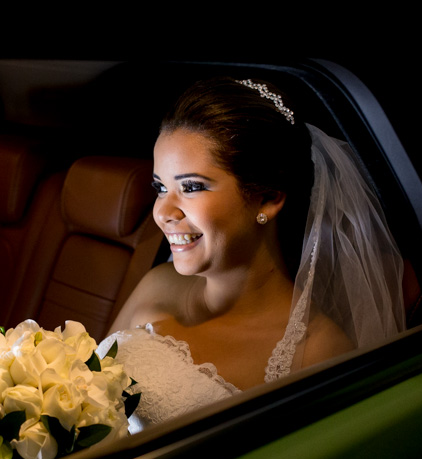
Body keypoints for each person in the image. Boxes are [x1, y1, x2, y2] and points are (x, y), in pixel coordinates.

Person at [99, 77, 405, 432]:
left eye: (192, 187)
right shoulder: (156, 284)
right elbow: (82, 389)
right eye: (160, 187)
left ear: (268, 198)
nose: (163, 211)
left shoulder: (318, 352)